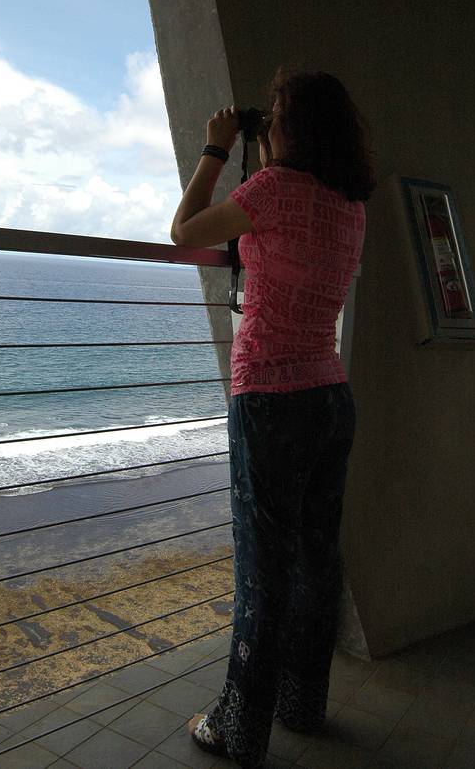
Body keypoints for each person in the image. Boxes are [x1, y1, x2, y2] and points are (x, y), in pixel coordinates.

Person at [170, 66, 376, 769]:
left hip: (270, 399)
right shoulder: (349, 202)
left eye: (276, 110)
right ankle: (302, 702)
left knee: (263, 568)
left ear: (294, 124)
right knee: (316, 559)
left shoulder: (274, 189)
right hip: (331, 397)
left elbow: (184, 231)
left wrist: (217, 148)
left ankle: (238, 727)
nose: (270, 120)